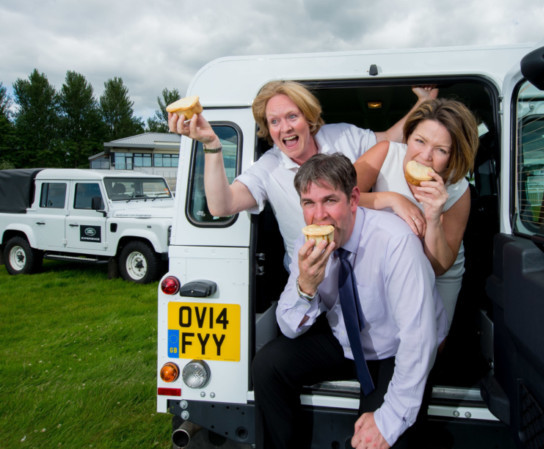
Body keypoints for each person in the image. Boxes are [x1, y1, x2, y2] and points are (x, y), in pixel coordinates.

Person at [252, 153, 448, 449]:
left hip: (394, 348)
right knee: (268, 365)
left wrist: (389, 419)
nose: (319, 216)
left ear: (354, 199)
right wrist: (305, 286)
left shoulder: (395, 241)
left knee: (378, 440)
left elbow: (417, 338)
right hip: (346, 339)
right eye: (308, 203)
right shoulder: (304, 246)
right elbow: (290, 327)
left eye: (330, 200)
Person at [169, 81, 438, 269]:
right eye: (274, 121)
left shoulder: (340, 134)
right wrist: (212, 144)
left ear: (308, 117)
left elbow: (390, 139)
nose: (284, 128)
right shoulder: (268, 168)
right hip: (313, 281)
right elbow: (220, 205)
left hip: (365, 268)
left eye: (292, 116)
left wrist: (424, 103)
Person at [354, 98, 478, 327]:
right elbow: (339, 197)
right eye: (419, 141)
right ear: (407, 137)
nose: (425, 156)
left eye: (441, 150)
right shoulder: (386, 153)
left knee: (434, 339)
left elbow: (439, 267)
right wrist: (391, 198)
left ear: (453, 155)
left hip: (440, 275)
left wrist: (433, 217)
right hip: (388, 262)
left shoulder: (458, 188)